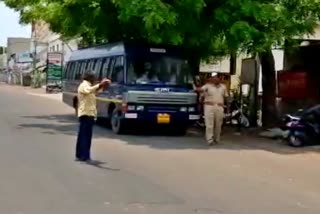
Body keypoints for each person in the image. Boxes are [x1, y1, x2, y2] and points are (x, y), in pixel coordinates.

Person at [75, 71, 111, 162]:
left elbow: (95, 90)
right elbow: (89, 90)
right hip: (86, 114)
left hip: (89, 114)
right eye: (94, 78)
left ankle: (80, 155)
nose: (95, 79)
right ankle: (85, 156)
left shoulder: (89, 86)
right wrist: (100, 84)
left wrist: (103, 85)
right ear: (90, 78)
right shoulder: (84, 85)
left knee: (83, 136)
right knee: (86, 137)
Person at [194, 73, 228, 145]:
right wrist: (194, 86)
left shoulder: (223, 87)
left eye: (216, 78)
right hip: (209, 106)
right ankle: (210, 139)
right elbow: (199, 90)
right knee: (209, 124)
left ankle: (217, 139)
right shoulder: (207, 86)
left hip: (219, 107)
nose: (215, 79)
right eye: (213, 78)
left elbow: (226, 97)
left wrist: (227, 107)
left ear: (219, 78)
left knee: (218, 125)